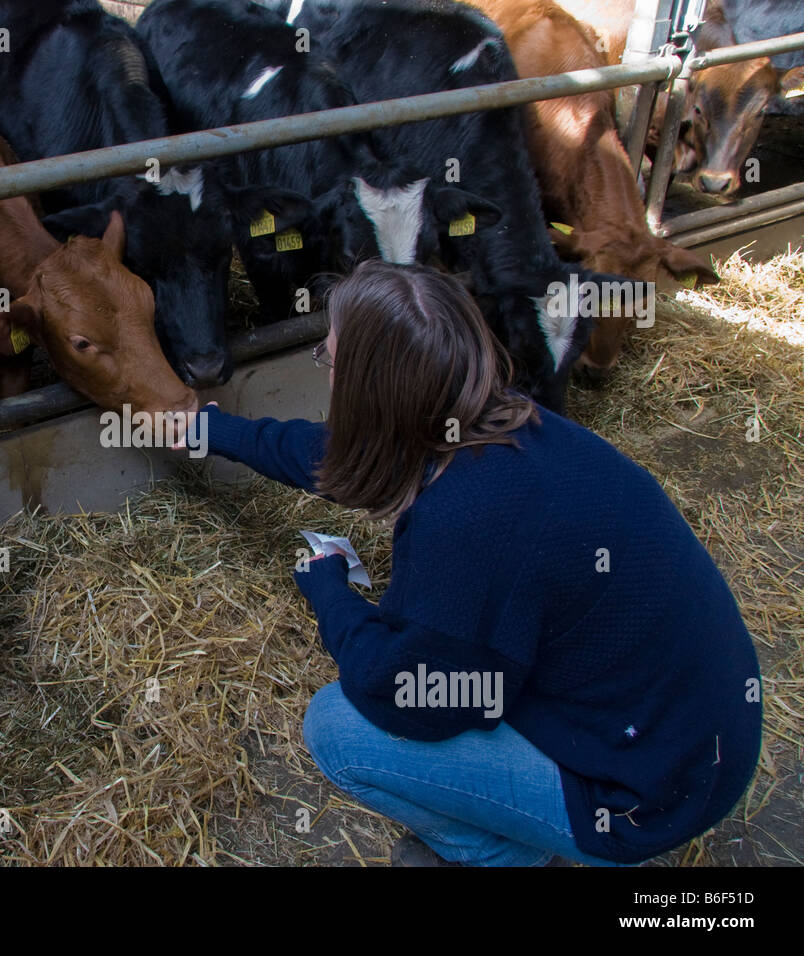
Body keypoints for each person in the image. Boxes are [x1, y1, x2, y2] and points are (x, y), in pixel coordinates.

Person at [189, 260, 762, 866]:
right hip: (691, 729)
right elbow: (340, 458)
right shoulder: (499, 419)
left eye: (330, 360)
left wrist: (331, 594)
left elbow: (415, 698)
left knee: (337, 727)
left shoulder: (466, 518)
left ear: (365, 386)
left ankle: (493, 855)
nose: (327, 373)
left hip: (650, 795)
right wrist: (210, 428)